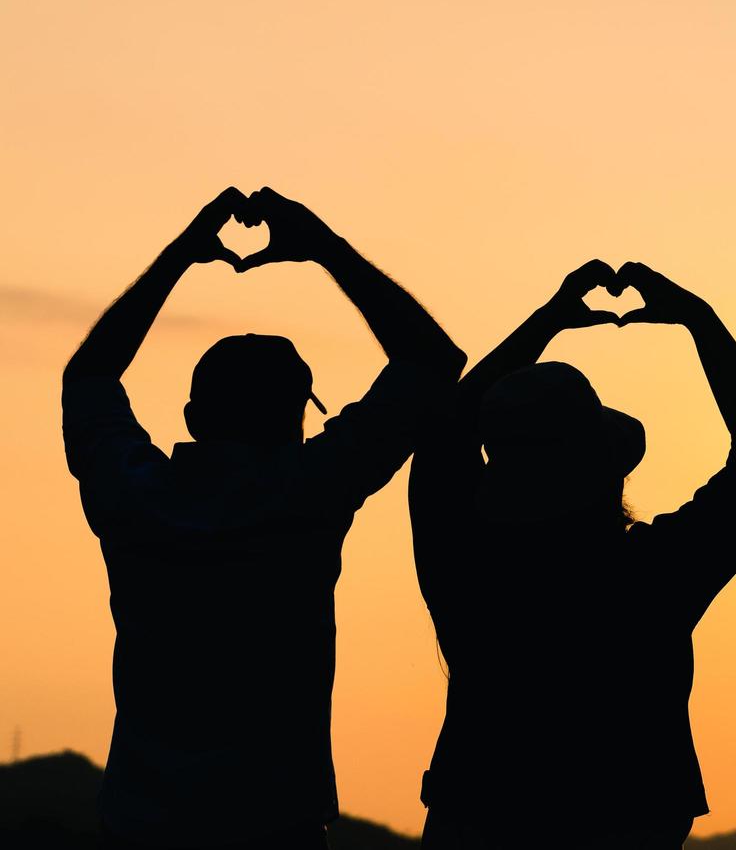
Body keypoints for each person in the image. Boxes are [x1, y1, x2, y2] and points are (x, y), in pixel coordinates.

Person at [61, 187, 467, 849]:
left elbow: (90, 374)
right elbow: (432, 361)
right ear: (297, 420)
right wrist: (324, 249)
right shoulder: (312, 489)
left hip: (141, 820)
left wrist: (180, 256)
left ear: (194, 419)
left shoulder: (133, 494)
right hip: (276, 820)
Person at [409, 259, 736, 848]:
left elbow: (446, 433)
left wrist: (546, 322)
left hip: (476, 811)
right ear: (607, 469)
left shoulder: (462, 558)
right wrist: (699, 320)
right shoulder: (652, 575)